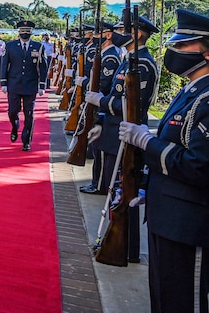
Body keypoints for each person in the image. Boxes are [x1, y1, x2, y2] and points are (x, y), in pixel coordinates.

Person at [117, 9, 209, 313]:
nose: (175, 51)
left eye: (184, 46)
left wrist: (147, 142)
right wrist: (148, 186)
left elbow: (198, 165)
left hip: (189, 222)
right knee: (164, 295)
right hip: (167, 211)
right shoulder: (191, 90)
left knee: (184, 300)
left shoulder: (206, 97)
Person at [85, 15, 159, 264]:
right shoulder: (129, 60)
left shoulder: (143, 64)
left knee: (124, 189)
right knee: (115, 186)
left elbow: (132, 104)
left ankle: (127, 248)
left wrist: (101, 102)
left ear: (137, 34)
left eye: (122, 29)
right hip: (114, 129)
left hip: (127, 133)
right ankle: (118, 242)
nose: (116, 33)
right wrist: (101, 120)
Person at [73, 21, 121, 195]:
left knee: (99, 149)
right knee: (96, 146)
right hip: (98, 105)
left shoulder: (110, 57)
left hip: (103, 107)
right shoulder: (105, 54)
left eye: (98, 34)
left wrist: (84, 82)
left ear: (108, 35)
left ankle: (99, 184)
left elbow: (103, 83)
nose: (94, 37)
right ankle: (96, 182)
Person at [0, 20, 48, 151]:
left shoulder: (38, 46)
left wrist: (42, 85)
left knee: (29, 114)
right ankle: (15, 127)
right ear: (18, 32)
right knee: (12, 111)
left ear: (31, 32)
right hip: (14, 84)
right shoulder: (10, 46)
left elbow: (43, 67)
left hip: (30, 85)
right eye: (22, 31)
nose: (25, 33)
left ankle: (26, 141)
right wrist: (3, 82)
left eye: (27, 31)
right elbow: (4, 65)